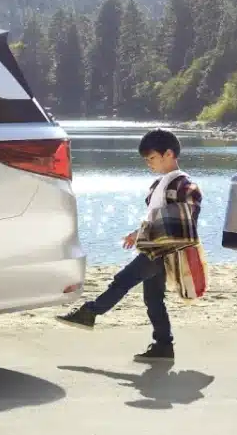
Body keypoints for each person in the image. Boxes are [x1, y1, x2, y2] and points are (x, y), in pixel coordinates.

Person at [55, 128, 200, 362]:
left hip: (160, 251)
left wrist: (153, 236)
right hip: (155, 248)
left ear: (169, 154)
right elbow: (156, 217)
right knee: (153, 299)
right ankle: (163, 345)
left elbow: (185, 219)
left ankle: (90, 312)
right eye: (146, 160)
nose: (149, 164)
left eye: (152, 158)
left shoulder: (183, 185)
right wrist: (137, 233)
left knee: (123, 280)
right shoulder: (160, 185)